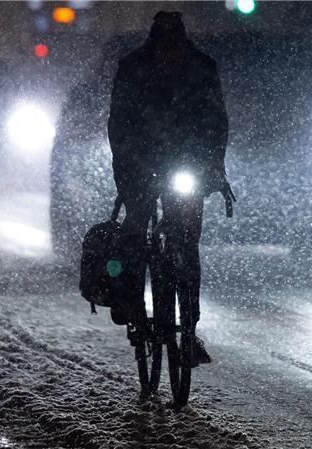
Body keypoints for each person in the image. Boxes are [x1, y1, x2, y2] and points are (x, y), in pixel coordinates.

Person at [108, 11, 231, 367]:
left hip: (186, 166)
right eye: (164, 46)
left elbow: (216, 123)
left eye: (174, 46)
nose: (169, 53)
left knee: (187, 244)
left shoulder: (201, 68)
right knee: (136, 228)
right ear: (154, 44)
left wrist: (213, 166)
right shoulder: (132, 68)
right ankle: (128, 297)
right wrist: (130, 165)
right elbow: (119, 123)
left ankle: (189, 329)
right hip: (140, 164)